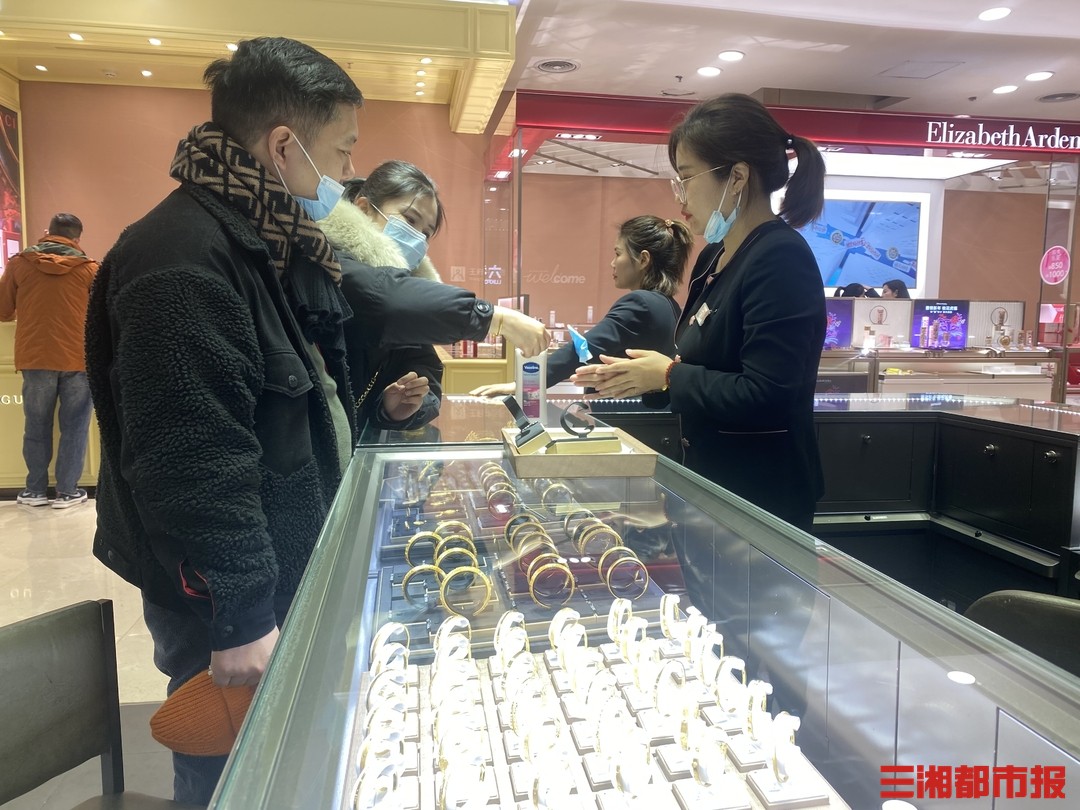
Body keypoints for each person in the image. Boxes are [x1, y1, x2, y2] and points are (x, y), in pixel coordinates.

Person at [84, 38, 363, 804]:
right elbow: (190, 454)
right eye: (341, 151)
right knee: (232, 778)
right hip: (233, 602)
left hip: (275, 575)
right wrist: (239, 614)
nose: (346, 174)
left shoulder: (263, 240)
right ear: (284, 147)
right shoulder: (181, 258)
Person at [573, 93, 827, 532]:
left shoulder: (780, 258)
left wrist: (669, 375)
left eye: (688, 178)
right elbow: (703, 367)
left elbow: (767, 394)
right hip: (711, 487)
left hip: (760, 499)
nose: (680, 195)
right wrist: (642, 379)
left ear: (738, 177)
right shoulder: (714, 256)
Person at [318, 160, 548, 433]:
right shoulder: (330, 258)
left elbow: (424, 367)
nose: (417, 237)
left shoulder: (409, 288)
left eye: (426, 233)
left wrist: (401, 408)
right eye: (410, 220)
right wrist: (492, 317)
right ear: (364, 208)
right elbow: (385, 300)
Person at [470, 214, 693, 399]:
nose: (612, 263)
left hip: (623, 420)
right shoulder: (669, 305)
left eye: (618, 253)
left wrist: (525, 384)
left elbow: (583, 348)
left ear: (643, 260)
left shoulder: (639, 304)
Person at [0, 213, 98, 508]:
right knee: (75, 426)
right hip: (77, 358)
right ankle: (67, 492)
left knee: (36, 425)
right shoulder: (90, 269)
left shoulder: (19, 264)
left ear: (47, 232)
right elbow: (104, 313)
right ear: (77, 239)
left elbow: (3, 311)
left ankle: (35, 491)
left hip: (35, 356)